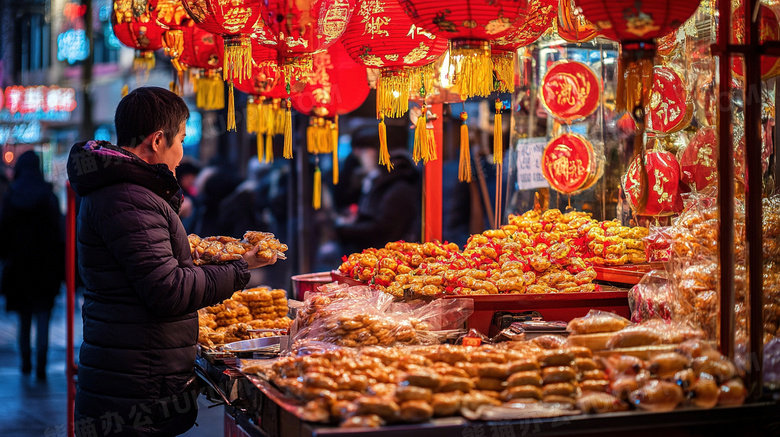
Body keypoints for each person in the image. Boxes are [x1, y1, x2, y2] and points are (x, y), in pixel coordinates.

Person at [67, 87, 276, 437]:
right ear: (157, 140)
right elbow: (168, 290)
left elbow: (149, 270)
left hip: (134, 376)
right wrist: (242, 267)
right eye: (180, 139)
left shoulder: (126, 190)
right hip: (135, 385)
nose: (180, 154)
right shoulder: (129, 197)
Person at [0, 151, 64, 380]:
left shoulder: (11, 196)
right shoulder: (49, 196)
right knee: (43, 317)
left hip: (19, 268)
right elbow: (59, 235)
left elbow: (3, 234)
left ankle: (25, 361)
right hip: (45, 268)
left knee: (24, 318)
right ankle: (41, 366)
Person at [334, 127, 421, 255]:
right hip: (374, 254)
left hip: (388, 258)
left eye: (363, 151)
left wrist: (345, 229)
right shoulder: (377, 180)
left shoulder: (398, 184)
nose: (359, 158)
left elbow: (384, 229)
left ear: (376, 152)